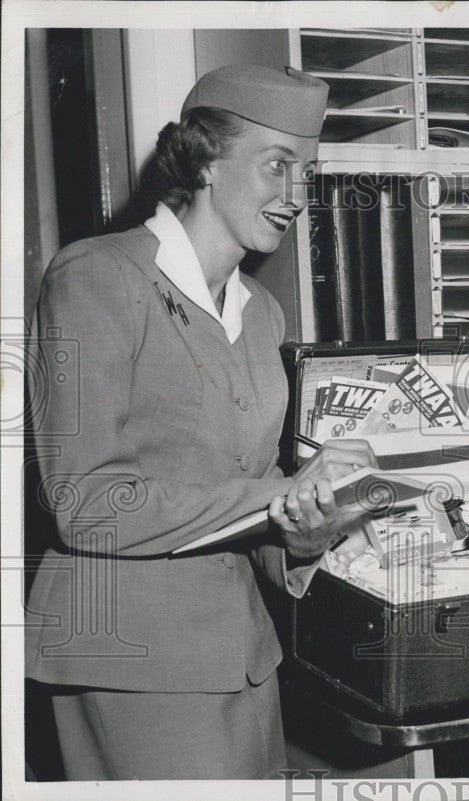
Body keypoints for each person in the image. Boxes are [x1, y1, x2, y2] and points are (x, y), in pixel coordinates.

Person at [25, 64, 376, 780]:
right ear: (207, 160)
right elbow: (83, 501)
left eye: (307, 172)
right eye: (277, 165)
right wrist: (275, 495)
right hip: (131, 656)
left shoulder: (261, 313)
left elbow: (245, 500)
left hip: (243, 657)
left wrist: (306, 528)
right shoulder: (95, 277)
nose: (297, 196)